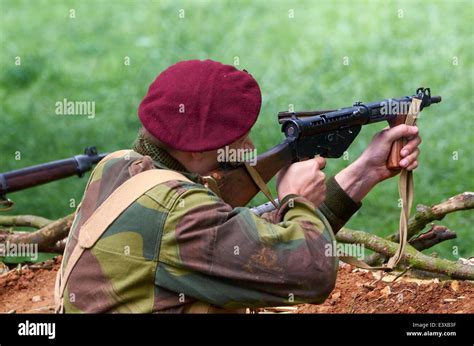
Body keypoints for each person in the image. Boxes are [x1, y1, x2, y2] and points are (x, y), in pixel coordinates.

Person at [57, 59, 421, 313]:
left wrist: (364, 172)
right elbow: (311, 275)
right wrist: (295, 199)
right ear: (197, 148)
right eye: (236, 135)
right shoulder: (178, 215)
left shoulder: (117, 166)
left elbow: (243, 239)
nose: (247, 148)